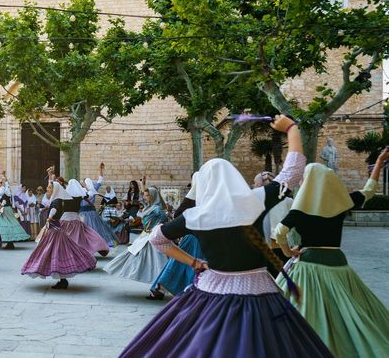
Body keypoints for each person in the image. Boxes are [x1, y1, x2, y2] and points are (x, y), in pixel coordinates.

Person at [119, 115, 331, 358]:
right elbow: (293, 171)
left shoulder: (195, 215)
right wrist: (292, 128)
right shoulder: (256, 200)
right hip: (259, 291)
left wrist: (195, 263)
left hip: (210, 290)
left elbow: (157, 239)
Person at [273, 149, 389, 358]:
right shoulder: (342, 202)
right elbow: (369, 190)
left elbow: (279, 232)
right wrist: (379, 162)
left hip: (308, 266)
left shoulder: (300, 210)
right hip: (338, 265)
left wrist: (288, 252)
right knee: (348, 312)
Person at [21, 181, 96, 289]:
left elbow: (54, 209)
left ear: (54, 189)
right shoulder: (58, 199)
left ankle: (62, 279)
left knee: (53, 253)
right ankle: (62, 280)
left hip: (54, 232)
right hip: (56, 230)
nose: (48, 189)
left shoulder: (56, 201)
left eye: (49, 188)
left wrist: (50, 217)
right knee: (58, 253)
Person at [103, 181, 169, 286]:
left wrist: (157, 227)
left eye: (148, 195)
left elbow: (164, 218)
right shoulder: (149, 208)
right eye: (145, 195)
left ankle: (158, 285)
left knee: (157, 262)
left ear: (152, 196)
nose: (145, 197)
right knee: (135, 255)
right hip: (145, 236)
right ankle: (154, 285)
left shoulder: (157, 209)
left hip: (153, 237)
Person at [61, 180, 110, 257]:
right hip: (75, 218)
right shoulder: (80, 196)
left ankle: (67, 252)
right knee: (80, 236)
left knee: (65, 236)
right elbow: (89, 195)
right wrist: (85, 187)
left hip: (65, 218)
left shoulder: (65, 195)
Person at [80, 163, 119, 247]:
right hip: (82, 213)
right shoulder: (80, 190)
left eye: (84, 182)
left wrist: (101, 170)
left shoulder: (93, 189)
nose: (82, 184)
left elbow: (100, 180)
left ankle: (97, 245)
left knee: (95, 229)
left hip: (90, 213)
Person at [0, 175, 29, 249]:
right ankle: (8, 243)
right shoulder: (7, 191)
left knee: (5, 224)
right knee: (9, 224)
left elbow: (3, 199)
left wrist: (4, 181)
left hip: (5, 210)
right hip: (7, 209)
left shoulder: (5, 191)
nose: (0, 184)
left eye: (1, 183)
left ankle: (8, 242)